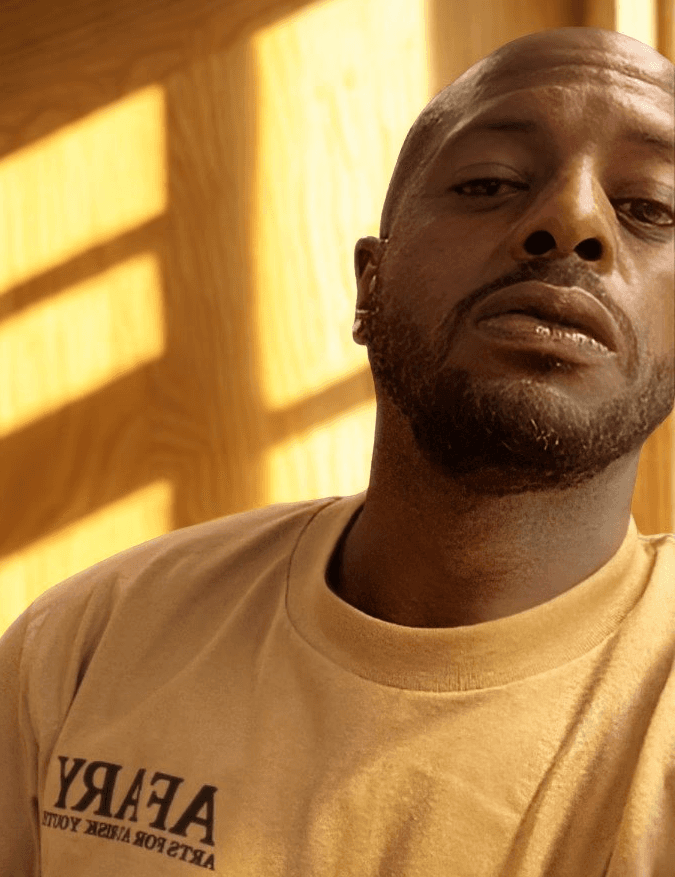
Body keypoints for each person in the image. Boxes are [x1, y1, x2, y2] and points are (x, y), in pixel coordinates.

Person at [1, 25, 673, 877]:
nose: (570, 221)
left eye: (650, 206)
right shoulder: (87, 645)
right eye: (489, 182)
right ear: (369, 285)